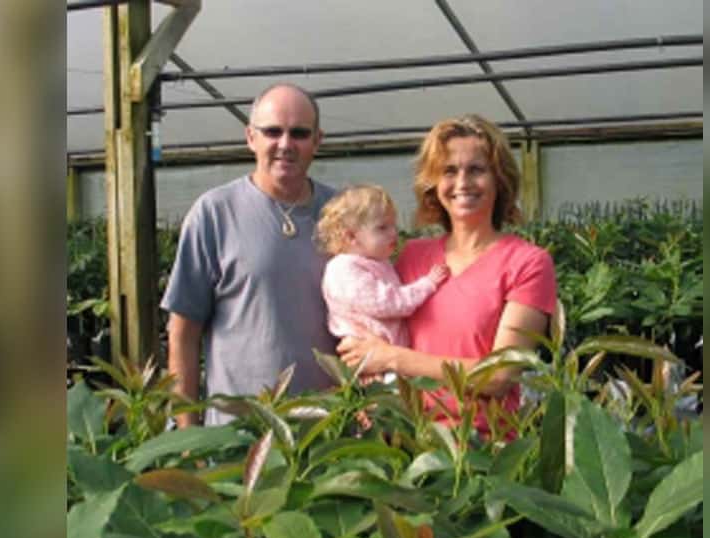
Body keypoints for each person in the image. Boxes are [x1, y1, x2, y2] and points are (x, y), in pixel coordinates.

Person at [338, 114, 557, 437]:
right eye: (449, 171)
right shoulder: (413, 255)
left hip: (481, 447)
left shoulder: (528, 263)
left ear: (500, 180)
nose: (462, 182)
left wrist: (392, 358)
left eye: (477, 169)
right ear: (434, 183)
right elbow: (374, 328)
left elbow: (499, 376)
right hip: (405, 439)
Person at [162, 83, 338, 428]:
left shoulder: (342, 213)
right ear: (250, 137)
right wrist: (188, 436)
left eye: (299, 133)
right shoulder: (215, 213)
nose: (285, 144)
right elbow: (183, 334)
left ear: (317, 141)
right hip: (237, 435)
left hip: (327, 434)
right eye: (272, 131)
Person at [316, 184, 449, 348]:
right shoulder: (344, 269)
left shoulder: (375, 261)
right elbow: (385, 303)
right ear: (351, 236)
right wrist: (427, 285)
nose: (393, 233)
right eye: (382, 228)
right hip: (368, 356)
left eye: (393, 225)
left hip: (386, 354)